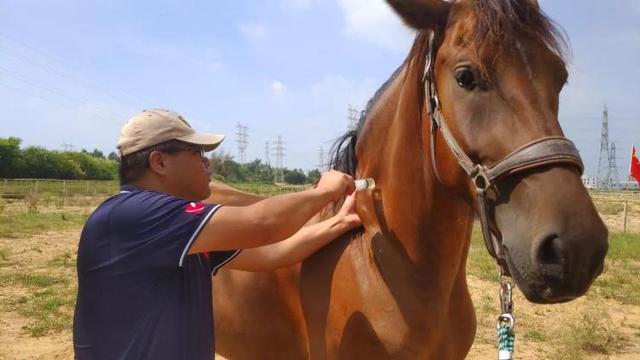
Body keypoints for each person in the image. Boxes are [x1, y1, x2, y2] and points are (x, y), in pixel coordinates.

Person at [72, 109, 361, 359]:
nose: (207, 162)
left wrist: (340, 222)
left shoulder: (179, 232)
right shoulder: (133, 214)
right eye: (197, 153)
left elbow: (275, 253)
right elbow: (264, 224)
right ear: (159, 162)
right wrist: (324, 191)